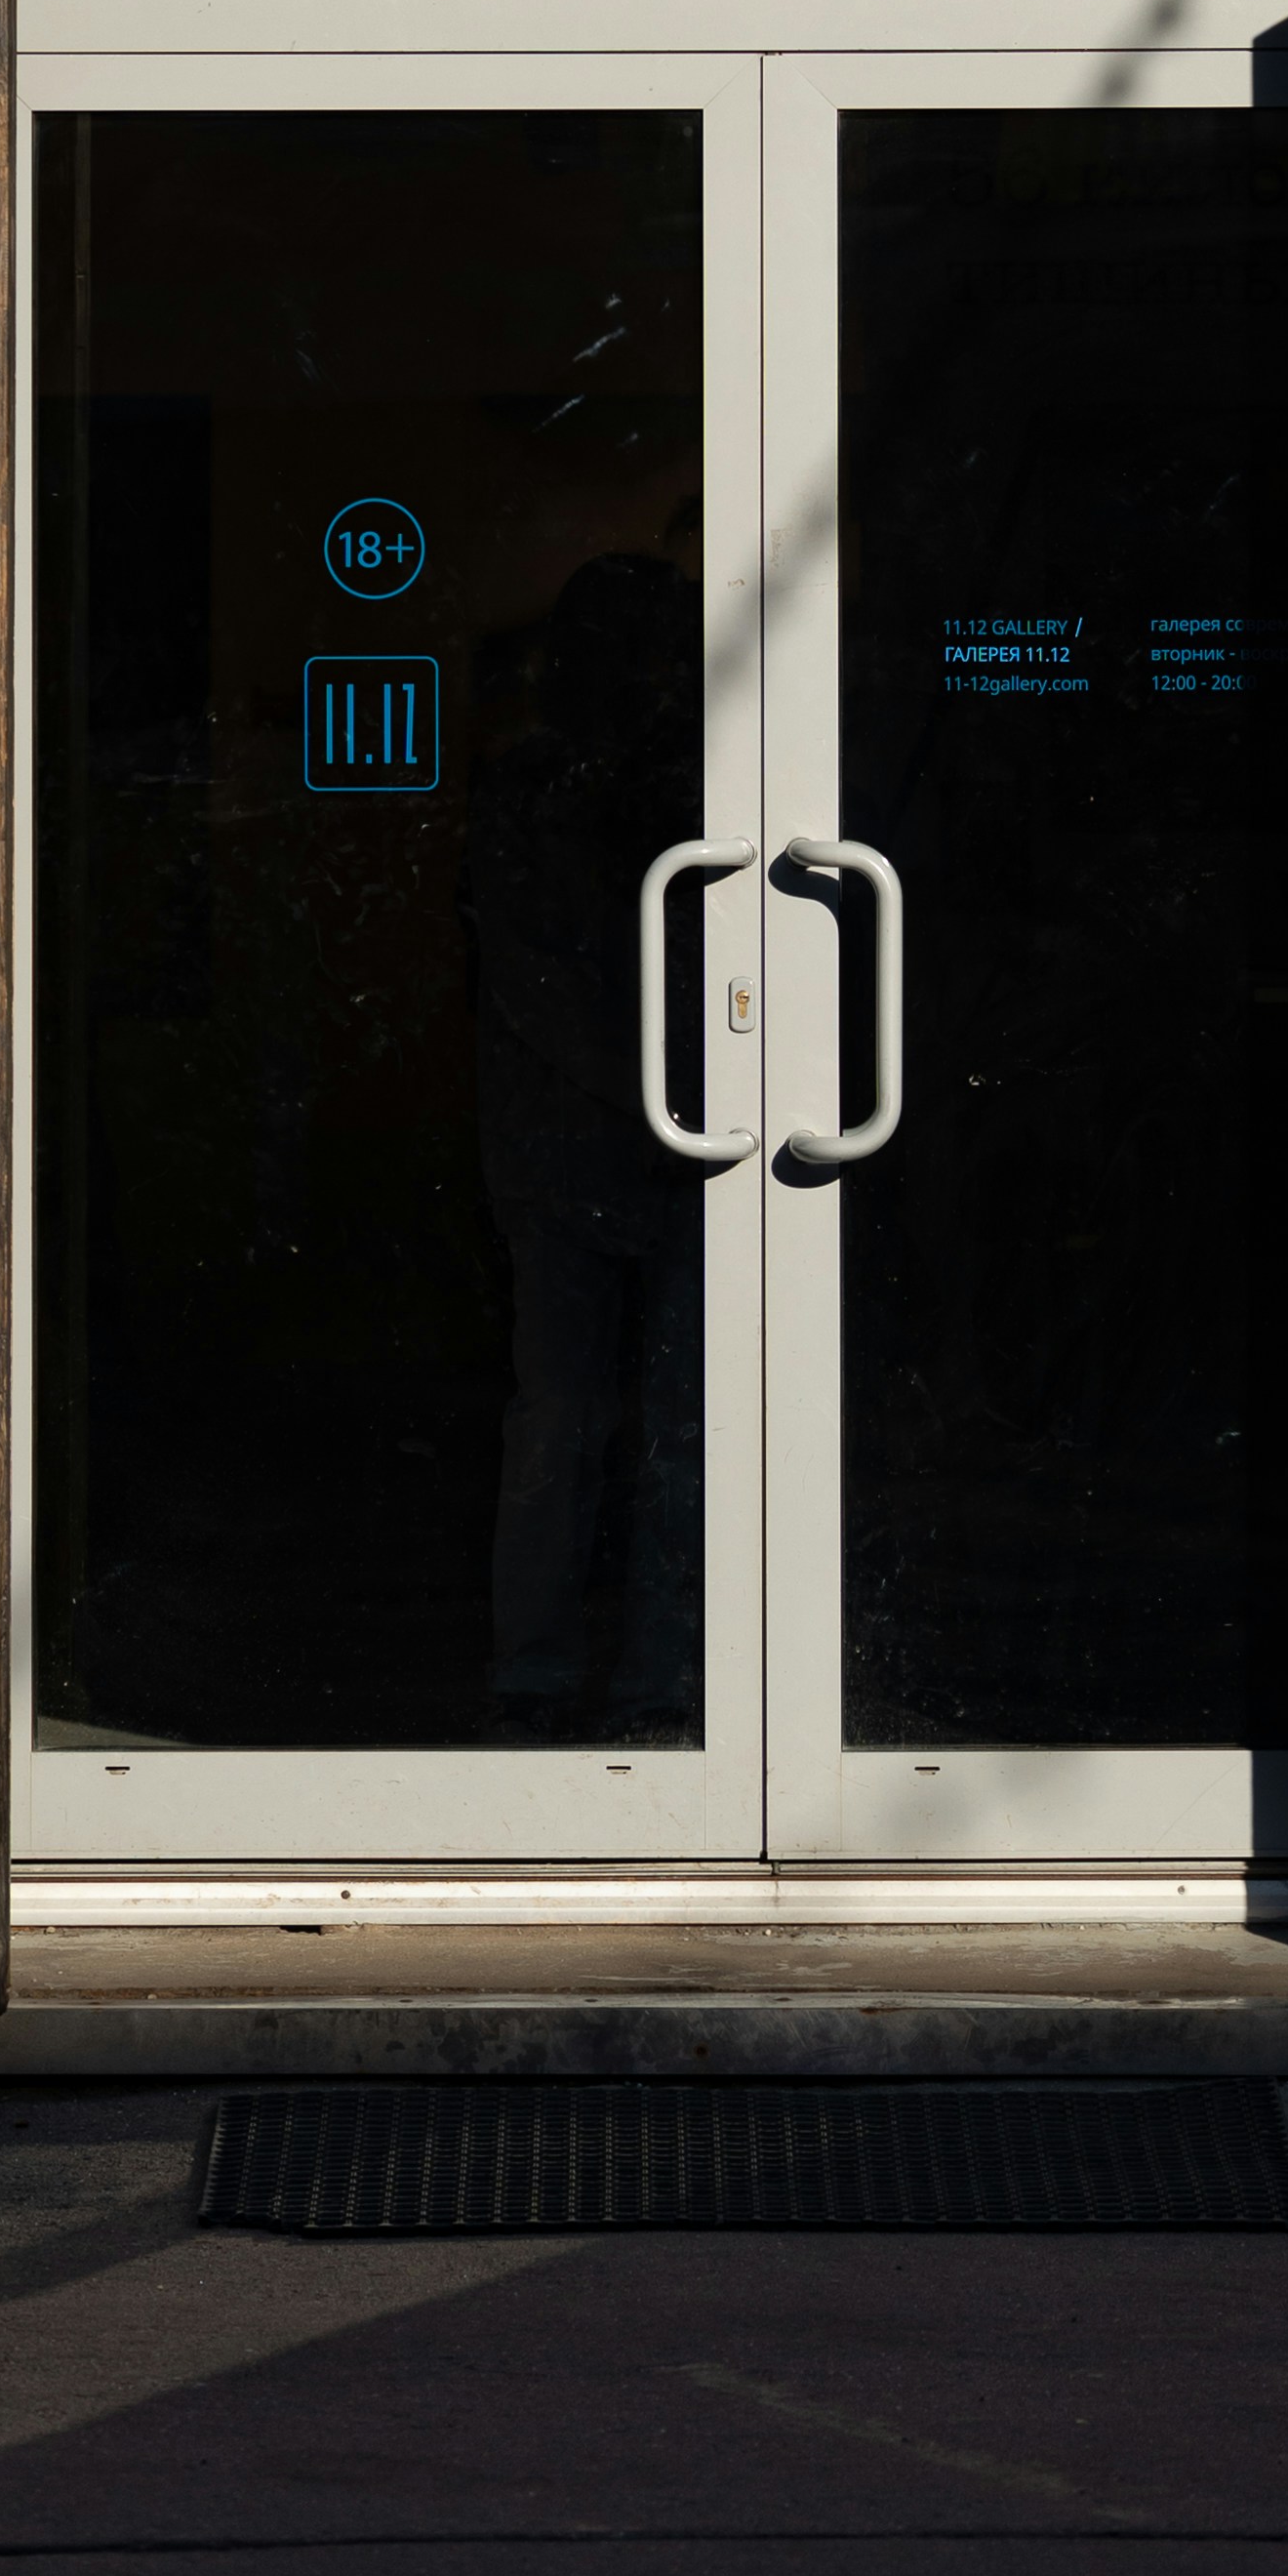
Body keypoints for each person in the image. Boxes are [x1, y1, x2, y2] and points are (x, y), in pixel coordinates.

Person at [466, 548, 707, 1732]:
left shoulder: (666, 785)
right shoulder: (551, 790)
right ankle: (584, 1666)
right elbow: (537, 981)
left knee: (624, 1414)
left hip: (637, 1133)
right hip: (616, 1135)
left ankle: (618, 1665)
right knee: (594, 1413)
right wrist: (667, 1087)